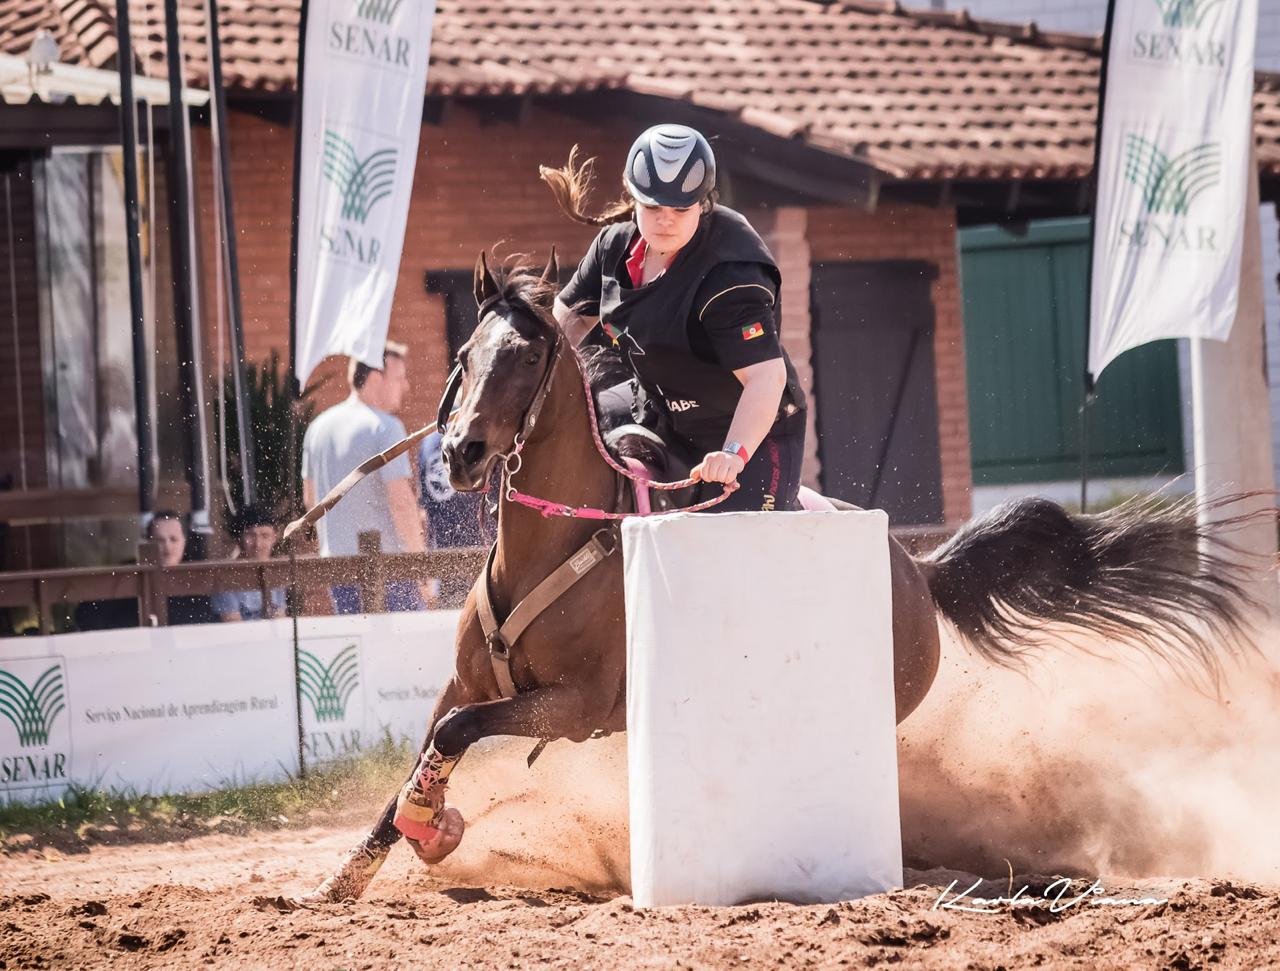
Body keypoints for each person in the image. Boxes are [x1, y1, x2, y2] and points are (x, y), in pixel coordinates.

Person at [544, 125, 808, 513]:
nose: (665, 221)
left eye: (681, 209)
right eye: (653, 208)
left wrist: (733, 454)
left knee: (741, 541)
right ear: (633, 197)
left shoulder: (731, 274)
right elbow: (559, 332)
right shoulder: (612, 249)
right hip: (659, 413)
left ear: (703, 203)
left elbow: (766, 377)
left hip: (747, 433)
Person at [302, 341, 428, 614]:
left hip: (337, 568)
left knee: (361, 640)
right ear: (374, 378)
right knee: (410, 641)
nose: (406, 386)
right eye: (399, 378)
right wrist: (421, 568)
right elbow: (401, 502)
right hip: (390, 570)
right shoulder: (386, 427)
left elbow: (310, 501)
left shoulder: (317, 429)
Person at [75, 511, 213, 628]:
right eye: (159, 540)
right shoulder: (129, 574)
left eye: (174, 539)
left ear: (184, 542)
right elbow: (87, 614)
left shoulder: (197, 576)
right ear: (148, 542)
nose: (167, 547)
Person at [417, 429, 495, 606]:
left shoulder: (430, 441)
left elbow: (424, 513)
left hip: (448, 565)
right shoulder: (482, 432)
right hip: (482, 563)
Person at [212, 504, 285, 622]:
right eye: (251, 535)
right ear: (240, 538)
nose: (258, 544)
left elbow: (280, 619)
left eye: (265, 536)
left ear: (274, 538)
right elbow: (233, 624)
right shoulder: (226, 577)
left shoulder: (276, 572)